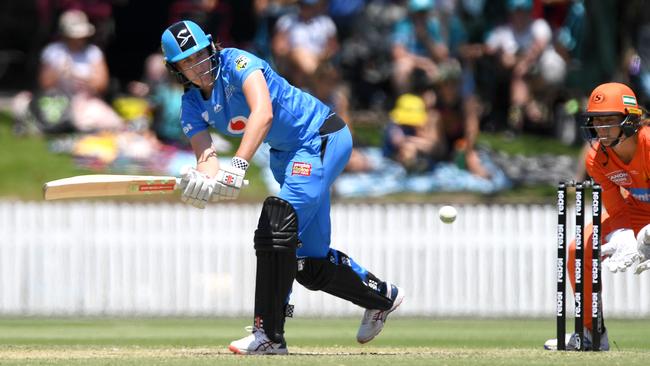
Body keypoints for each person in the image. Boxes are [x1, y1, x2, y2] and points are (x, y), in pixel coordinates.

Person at [160, 20, 404, 355]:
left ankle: (269, 335)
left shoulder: (238, 63)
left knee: (276, 224)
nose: (199, 66)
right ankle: (382, 297)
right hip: (285, 156)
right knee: (308, 264)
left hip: (320, 137)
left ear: (212, 48)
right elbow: (207, 155)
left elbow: (263, 114)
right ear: (176, 70)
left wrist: (240, 165)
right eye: (188, 62)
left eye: (201, 54)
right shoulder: (191, 104)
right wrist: (203, 180)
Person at [544, 82, 650, 351]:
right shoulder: (596, 158)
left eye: (608, 120)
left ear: (629, 120)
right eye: (596, 121)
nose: (600, 128)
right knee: (577, 249)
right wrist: (624, 234)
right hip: (635, 211)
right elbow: (616, 207)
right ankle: (592, 334)